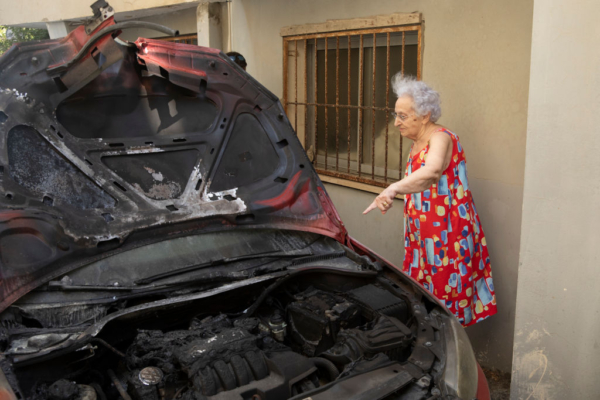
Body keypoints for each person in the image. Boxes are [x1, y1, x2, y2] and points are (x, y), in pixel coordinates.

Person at [363, 74, 497, 327]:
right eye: (395, 115)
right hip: (423, 235)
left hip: (447, 236)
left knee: (447, 299)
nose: (396, 123)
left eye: (403, 116)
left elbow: (431, 172)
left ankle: (453, 356)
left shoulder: (441, 138)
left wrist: (392, 189)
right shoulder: (416, 142)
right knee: (424, 296)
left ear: (424, 116)